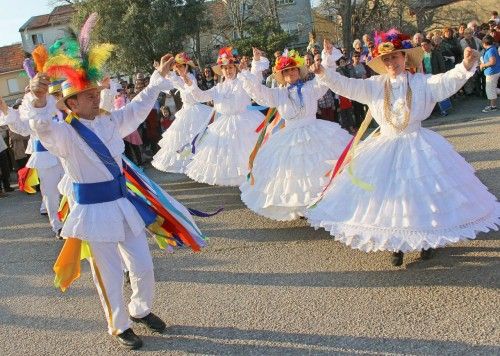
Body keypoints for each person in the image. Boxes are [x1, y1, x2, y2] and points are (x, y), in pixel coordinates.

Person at [25, 33, 179, 348]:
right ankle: (119, 325)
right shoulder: (64, 134)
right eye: (88, 94)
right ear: (71, 103)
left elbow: (136, 109)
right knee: (108, 276)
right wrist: (39, 101)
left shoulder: (110, 122)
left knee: (143, 266)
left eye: (96, 91)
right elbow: (41, 128)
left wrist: (157, 79)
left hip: (122, 206)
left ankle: (139, 309)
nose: (96, 97)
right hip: (93, 214)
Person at [306, 32, 499, 267]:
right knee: (391, 197)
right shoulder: (375, 86)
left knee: (421, 194)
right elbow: (347, 85)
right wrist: (325, 74)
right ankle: (397, 243)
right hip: (386, 146)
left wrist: (465, 65)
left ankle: (426, 239)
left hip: (417, 143)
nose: (391, 63)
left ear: (404, 58)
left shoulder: (420, 82)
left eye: (395, 57)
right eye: (386, 60)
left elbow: (445, 82)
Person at [237, 48, 351, 221]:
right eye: (286, 71)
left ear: (299, 71)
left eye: (293, 69)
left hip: (315, 130)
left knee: (319, 168)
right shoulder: (279, 94)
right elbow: (259, 93)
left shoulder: (310, 87)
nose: (290, 73)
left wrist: (327, 56)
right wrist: (248, 70)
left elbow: (324, 80)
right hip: (290, 135)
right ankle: (303, 206)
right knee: (296, 174)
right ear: (281, 75)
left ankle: (324, 203)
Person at [177, 47, 268, 186]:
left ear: (235, 68)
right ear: (221, 71)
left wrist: (255, 60)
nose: (228, 71)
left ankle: (253, 183)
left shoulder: (243, 81)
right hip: (225, 124)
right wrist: (187, 80)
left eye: (230, 67)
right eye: (225, 68)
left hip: (246, 121)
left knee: (248, 153)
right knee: (231, 158)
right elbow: (201, 96)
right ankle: (244, 184)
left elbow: (255, 81)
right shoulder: (218, 88)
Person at [152, 52, 214, 173]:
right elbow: (173, 81)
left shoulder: (190, 77)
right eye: (178, 66)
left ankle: (200, 163)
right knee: (185, 139)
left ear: (187, 66)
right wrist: (159, 68)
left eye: (181, 66)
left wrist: (182, 77)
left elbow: (187, 87)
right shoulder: (180, 78)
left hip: (196, 111)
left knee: (198, 138)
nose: (179, 68)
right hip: (186, 111)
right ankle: (188, 163)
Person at [479, 35, 500, 112]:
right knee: (493, 88)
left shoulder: (490, 50)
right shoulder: (493, 48)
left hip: (492, 72)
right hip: (494, 71)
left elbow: (492, 62)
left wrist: (483, 65)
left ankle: (493, 106)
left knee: (490, 90)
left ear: (484, 43)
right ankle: (492, 105)